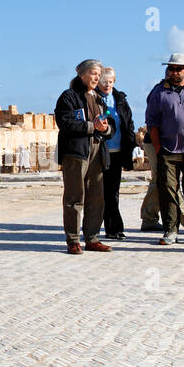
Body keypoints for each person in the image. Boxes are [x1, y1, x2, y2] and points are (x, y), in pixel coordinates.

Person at [145, 53, 184, 246]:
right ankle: (170, 231)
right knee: (168, 192)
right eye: (170, 68)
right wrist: (158, 149)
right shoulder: (158, 92)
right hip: (168, 150)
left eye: (178, 69)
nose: (173, 72)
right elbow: (152, 123)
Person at [55, 59, 113, 254]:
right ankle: (73, 239)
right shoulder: (69, 97)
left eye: (99, 74)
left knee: (97, 197)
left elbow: (109, 124)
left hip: (98, 151)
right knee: (74, 197)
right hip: (76, 153)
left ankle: (93, 238)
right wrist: (91, 127)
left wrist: (105, 129)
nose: (97, 77)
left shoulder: (99, 98)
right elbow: (66, 122)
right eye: (94, 73)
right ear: (82, 74)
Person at [97, 67, 134, 240]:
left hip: (117, 151)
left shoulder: (120, 99)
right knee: (98, 192)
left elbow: (128, 121)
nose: (106, 85)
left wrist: (131, 142)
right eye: (103, 82)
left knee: (113, 192)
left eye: (109, 82)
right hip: (100, 150)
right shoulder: (93, 98)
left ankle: (114, 229)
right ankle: (94, 227)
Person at [138, 127, 184, 232]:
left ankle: (149, 218)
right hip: (157, 142)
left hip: (170, 142)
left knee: (161, 180)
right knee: (164, 179)